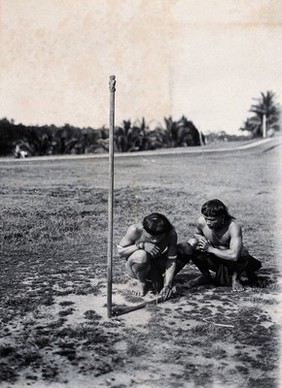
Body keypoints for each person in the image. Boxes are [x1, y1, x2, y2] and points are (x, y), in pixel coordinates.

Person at [188, 199, 262, 292]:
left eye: (212, 220)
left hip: (232, 262)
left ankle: (236, 279)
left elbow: (235, 256)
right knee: (192, 243)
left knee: (243, 252)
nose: (208, 222)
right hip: (215, 259)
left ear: (222, 217)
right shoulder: (201, 221)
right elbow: (197, 234)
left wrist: (210, 249)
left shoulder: (233, 227)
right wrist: (200, 239)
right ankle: (205, 275)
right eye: (206, 218)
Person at [117, 213, 192, 300]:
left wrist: (168, 285)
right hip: (135, 268)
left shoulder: (171, 233)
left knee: (186, 248)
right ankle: (142, 283)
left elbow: (171, 260)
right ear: (144, 230)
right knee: (141, 255)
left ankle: (165, 280)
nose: (155, 240)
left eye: (159, 236)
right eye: (152, 237)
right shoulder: (135, 230)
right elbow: (120, 252)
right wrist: (141, 245)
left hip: (156, 264)